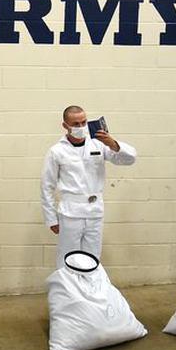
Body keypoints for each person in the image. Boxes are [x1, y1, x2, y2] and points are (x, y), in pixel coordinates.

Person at [41, 106, 137, 268]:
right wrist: (50, 218)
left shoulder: (98, 144)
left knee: (92, 258)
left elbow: (130, 159)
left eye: (83, 122)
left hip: (95, 211)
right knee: (68, 257)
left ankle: (90, 292)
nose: (80, 127)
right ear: (65, 125)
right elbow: (47, 186)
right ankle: (68, 292)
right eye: (75, 124)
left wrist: (112, 143)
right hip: (70, 212)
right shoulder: (56, 151)